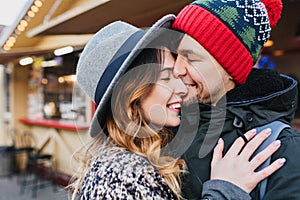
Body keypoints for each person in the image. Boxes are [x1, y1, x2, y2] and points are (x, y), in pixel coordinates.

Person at [69, 16, 285, 200]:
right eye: (165, 77)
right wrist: (226, 189)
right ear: (131, 93)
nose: (182, 88)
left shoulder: (146, 154)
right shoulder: (122, 173)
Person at [170, 0, 300, 199]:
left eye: (191, 58)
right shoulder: (164, 135)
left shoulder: (281, 150)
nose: (176, 70)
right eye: (176, 55)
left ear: (230, 67)